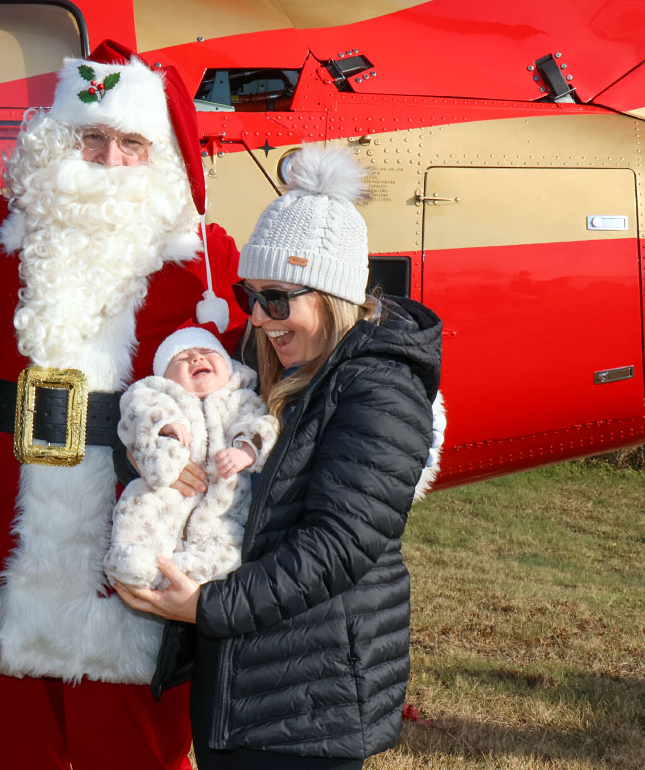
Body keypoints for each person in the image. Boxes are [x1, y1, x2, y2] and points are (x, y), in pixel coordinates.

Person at [0, 41, 246, 770]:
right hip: (5, 533)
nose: (109, 160)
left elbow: (235, 392)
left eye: (132, 143)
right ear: (59, 139)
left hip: (133, 534)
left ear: (162, 156)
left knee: (131, 748)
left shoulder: (204, 260)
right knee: (4, 746)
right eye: (91, 137)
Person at [117, 144, 445, 769]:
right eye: (250, 296)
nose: (260, 318)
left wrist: (208, 607)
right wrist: (157, 454)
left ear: (331, 294)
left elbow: (338, 545)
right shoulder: (277, 375)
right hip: (250, 689)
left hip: (309, 703)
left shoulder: (379, 389)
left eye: (278, 299)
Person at [104, 326, 278, 589]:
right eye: (181, 358)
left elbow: (266, 425)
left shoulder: (242, 398)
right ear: (165, 376)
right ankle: (136, 559)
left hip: (224, 505)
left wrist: (246, 451)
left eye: (207, 351)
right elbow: (138, 409)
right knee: (140, 503)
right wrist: (165, 424)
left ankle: (197, 574)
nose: (196, 358)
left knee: (230, 540)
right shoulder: (162, 395)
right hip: (166, 490)